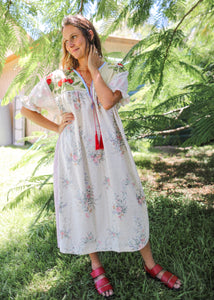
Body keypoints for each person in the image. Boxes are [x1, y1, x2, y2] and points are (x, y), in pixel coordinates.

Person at [21, 14, 181, 297]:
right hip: (75, 152)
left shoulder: (114, 70)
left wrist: (94, 70)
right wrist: (56, 126)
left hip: (111, 149)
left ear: (89, 35)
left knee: (129, 197)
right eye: (66, 40)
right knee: (86, 203)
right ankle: (97, 266)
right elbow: (27, 108)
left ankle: (150, 264)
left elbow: (107, 102)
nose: (70, 44)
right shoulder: (59, 78)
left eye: (74, 36)